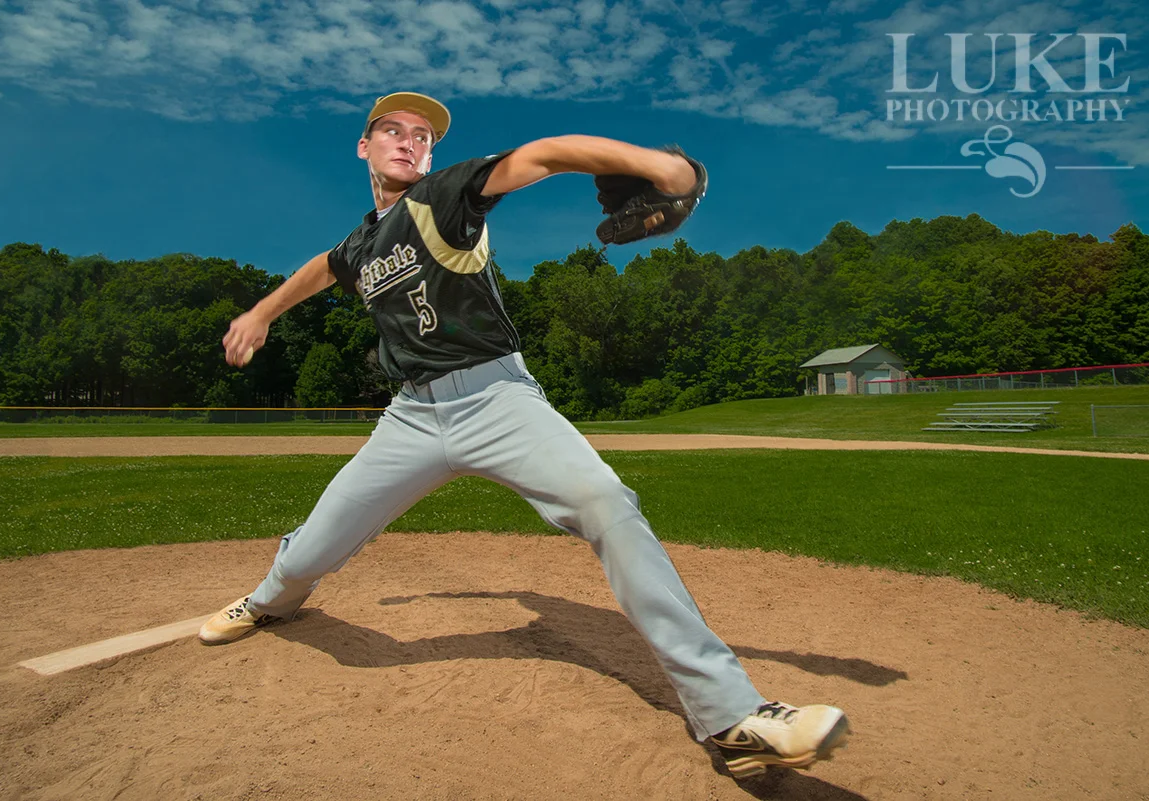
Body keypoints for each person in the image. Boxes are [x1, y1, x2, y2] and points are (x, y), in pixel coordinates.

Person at [199, 91, 850, 778]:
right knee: (312, 548)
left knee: (605, 501)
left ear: (432, 154)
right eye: (391, 130)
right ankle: (273, 599)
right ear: (363, 146)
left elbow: (542, 154)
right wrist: (261, 312)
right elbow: (324, 267)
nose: (408, 141)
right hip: (410, 418)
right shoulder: (363, 243)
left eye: (422, 135)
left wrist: (664, 167)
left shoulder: (444, 197)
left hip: (497, 400)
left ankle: (729, 716)